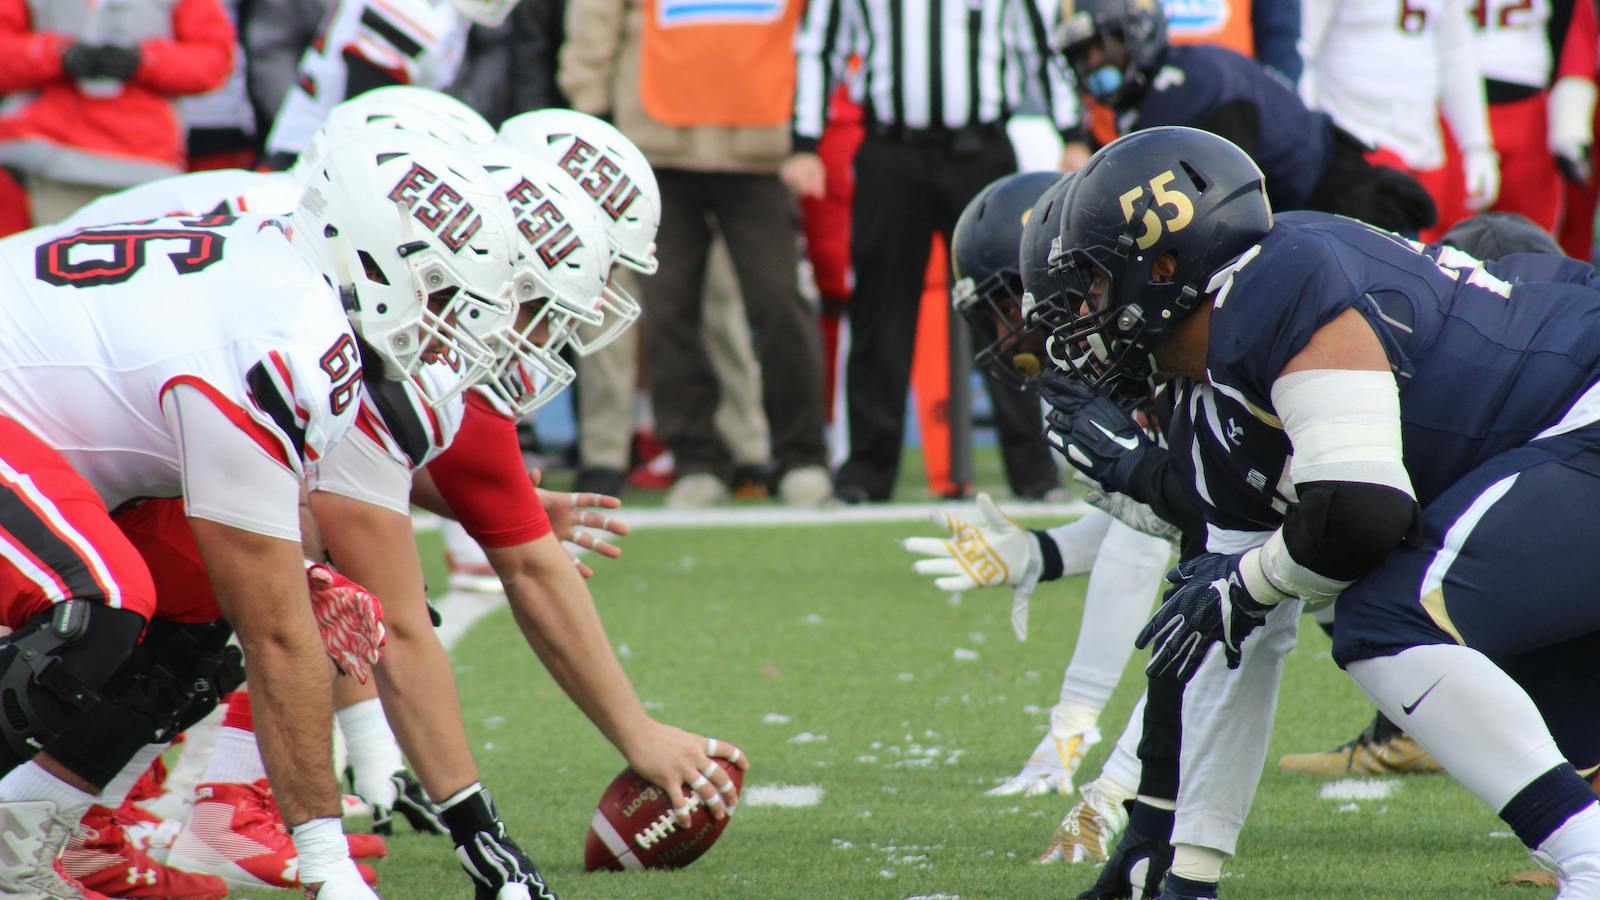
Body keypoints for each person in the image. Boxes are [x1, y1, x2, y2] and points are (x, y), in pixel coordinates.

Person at [1042, 125, 1600, 898]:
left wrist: (1251, 582)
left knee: (1389, 619)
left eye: (1098, 284)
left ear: (1163, 266)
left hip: (1583, 415)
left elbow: (1362, 514)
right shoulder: (1210, 407)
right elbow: (1228, 646)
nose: (1086, 317)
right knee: (1556, 714)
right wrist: (1179, 864)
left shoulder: (1278, 278)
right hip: (1563, 447)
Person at [0, 127, 523, 897]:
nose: (447, 322)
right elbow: (279, 633)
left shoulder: (293, 280)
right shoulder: (283, 334)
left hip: (43, 425)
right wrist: (327, 863)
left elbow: (261, 577)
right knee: (103, 602)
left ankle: (22, 829)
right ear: (373, 259)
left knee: (208, 600)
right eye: (438, 290)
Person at [787, 0, 1076, 503]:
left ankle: (1034, 471)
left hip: (980, 150)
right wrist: (804, 140)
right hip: (891, 151)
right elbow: (819, 45)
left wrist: (1072, 132)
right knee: (879, 310)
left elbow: (1043, 46)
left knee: (1012, 309)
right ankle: (866, 473)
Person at [1057, 0, 1436, 235]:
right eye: (1083, 55)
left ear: (1137, 32)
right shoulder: (1161, 85)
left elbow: (1224, 212)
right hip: (1309, 206)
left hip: (1340, 202)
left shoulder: (1190, 87)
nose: (1095, 63)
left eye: (1106, 47)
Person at [0, 0, 235, 223]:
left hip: (142, 165)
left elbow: (213, 60)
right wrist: (55, 55)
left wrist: (145, 61)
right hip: (41, 161)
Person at [1298, 0, 1497, 240]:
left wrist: (1476, 146)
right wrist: (1314, 137)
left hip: (1422, 144)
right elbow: (1302, 50)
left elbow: (1456, 53)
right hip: (1354, 140)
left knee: (1424, 266)